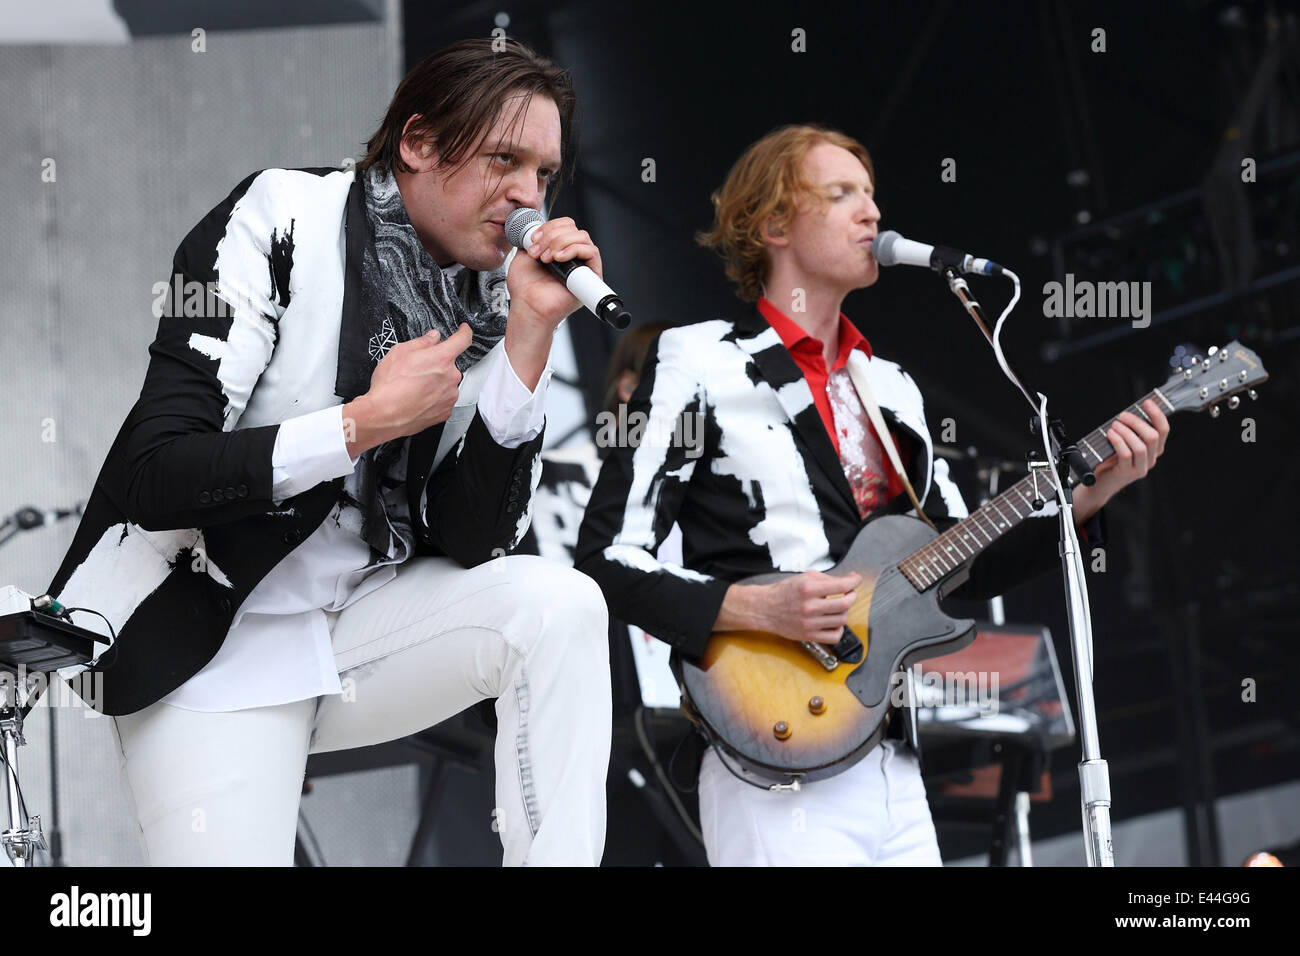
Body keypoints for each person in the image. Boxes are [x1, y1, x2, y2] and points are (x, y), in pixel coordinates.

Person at [47, 38, 611, 866]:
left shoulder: (491, 301)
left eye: (545, 175)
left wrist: (529, 334)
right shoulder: (283, 215)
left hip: (364, 628)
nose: (528, 197)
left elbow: (474, 541)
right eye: (504, 160)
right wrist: (359, 425)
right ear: (417, 144)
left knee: (559, 606)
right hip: (210, 639)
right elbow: (151, 476)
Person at [574, 124, 1169, 866]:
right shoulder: (695, 359)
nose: (872, 214)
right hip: (772, 758)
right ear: (775, 225)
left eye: (872, 196)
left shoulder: (890, 388)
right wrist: (757, 606)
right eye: (842, 194)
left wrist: (1088, 496)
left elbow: (964, 561)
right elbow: (605, 557)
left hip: (891, 756)